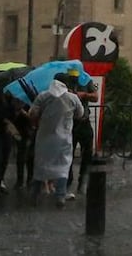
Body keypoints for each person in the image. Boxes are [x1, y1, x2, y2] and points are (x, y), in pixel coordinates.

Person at [30, 71, 85, 208]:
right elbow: (80, 114)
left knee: (41, 165)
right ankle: (60, 196)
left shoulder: (43, 96)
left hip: (44, 137)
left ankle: (34, 194)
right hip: (64, 138)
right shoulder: (72, 98)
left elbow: (33, 113)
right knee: (63, 166)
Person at [67, 78, 98, 198]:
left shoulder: (85, 80)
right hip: (70, 122)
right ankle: (68, 179)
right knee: (68, 153)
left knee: (87, 151)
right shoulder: (64, 79)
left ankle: (83, 179)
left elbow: (95, 97)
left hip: (84, 121)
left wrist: (84, 95)